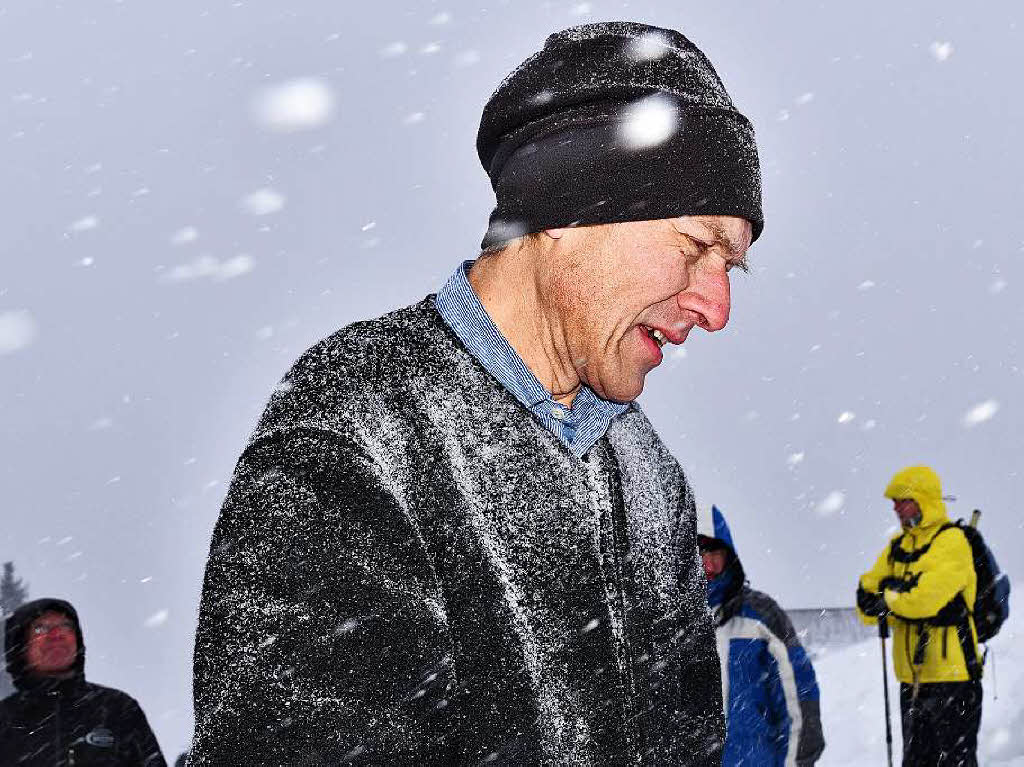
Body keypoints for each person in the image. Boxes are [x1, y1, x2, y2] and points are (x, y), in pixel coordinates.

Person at [191, 21, 763, 765]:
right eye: (695, 247)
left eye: (732, 268)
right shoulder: (359, 431)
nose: (716, 308)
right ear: (570, 210)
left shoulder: (651, 476)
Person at [856, 465, 982, 766]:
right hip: (912, 679)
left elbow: (925, 602)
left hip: (954, 678)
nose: (897, 508)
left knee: (955, 762)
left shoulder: (951, 542)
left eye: (903, 500)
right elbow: (864, 599)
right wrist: (899, 596)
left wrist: (888, 598)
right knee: (916, 762)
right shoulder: (897, 546)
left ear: (923, 499)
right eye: (895, 503)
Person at [698, 504, 824, 766]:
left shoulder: (760, 615)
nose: (707, 562)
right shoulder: (667, 620)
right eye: (698, 551)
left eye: (715, 551)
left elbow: (798, 698)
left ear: (729, 554)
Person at [0, 597, 166, 766]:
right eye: (40, 629)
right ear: (20, 647)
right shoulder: (4, 720)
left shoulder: (117, 709)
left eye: (66, 626)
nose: (56, 635)